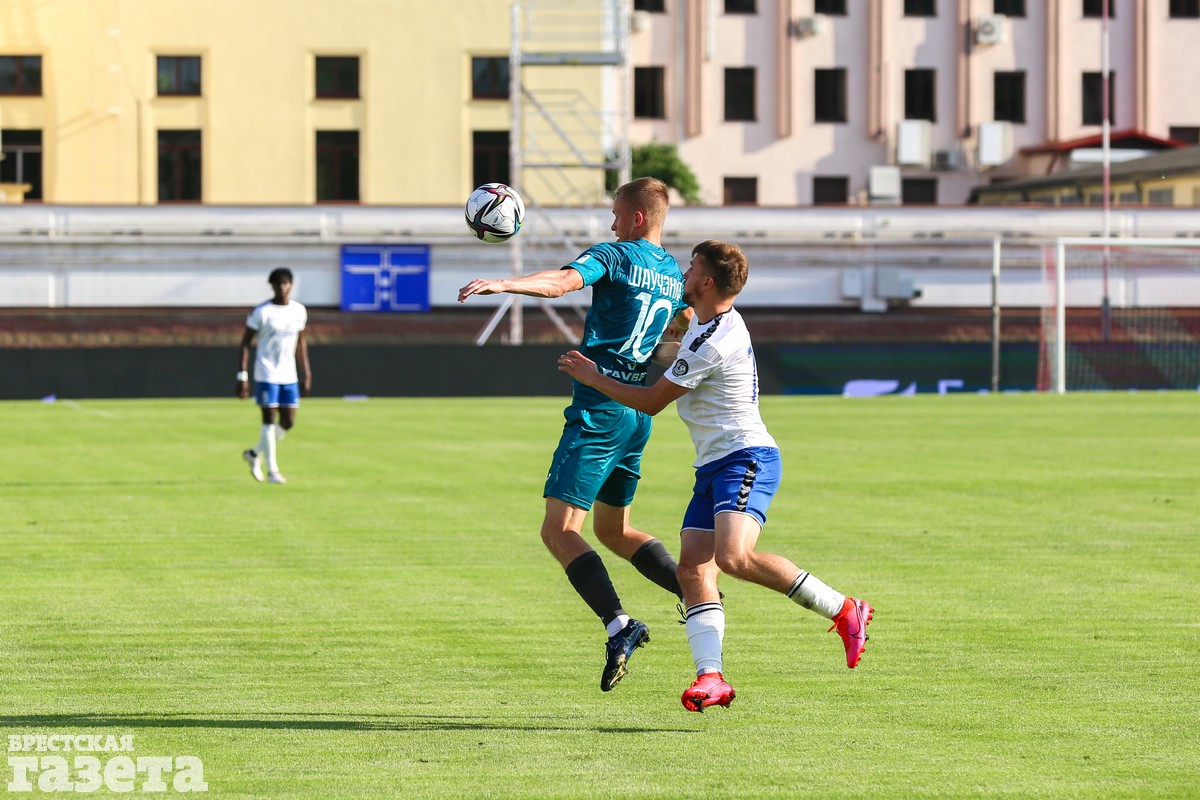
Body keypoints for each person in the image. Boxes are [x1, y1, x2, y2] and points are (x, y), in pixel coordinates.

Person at [557, 239, 873, 712]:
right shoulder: (707, 322)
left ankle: (845, 609)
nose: (683, 274)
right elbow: (676, 346)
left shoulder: (714, 339)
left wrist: (594, 376)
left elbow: (652, 401)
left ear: (706, 282)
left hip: (746, 458)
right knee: (692, 570)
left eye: (691, 268)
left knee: (734, 557)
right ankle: (711, 677)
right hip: (713, 465)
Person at [458, 177, 691, 692]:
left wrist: (505, 283)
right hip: (636, 412)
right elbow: (678, 330)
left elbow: (563, 282)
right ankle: (696, 592)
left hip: (599, 409)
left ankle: (619, 624)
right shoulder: (673, 273)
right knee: (614, 531)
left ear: (636, 218)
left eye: (616, 214)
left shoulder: (615, 255)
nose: (611, 223)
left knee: (558, 531)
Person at [237, 267, 311, 485]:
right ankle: (272, 471)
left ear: (291, 285)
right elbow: (245, 343)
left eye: (286, 283)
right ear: (272, 286)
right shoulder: (262, 312)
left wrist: (306, 372)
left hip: (289, 374)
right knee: (268, 419)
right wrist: (242, 376)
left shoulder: (298, 310)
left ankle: (253, 453)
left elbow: (301, 342)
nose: (282, 287)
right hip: (266, 372)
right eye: (278, 283)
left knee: (288, 421)